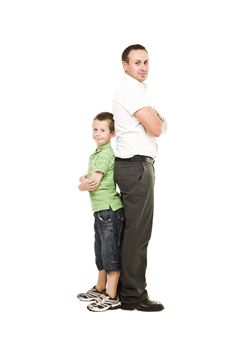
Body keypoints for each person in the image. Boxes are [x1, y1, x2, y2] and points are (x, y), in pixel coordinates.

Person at [113, 44, 166, 312]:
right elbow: (157, 127)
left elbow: (154, 124)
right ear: (125, 65)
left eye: (146, 62)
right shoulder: (131, 90)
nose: (143, 67)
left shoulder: (135, 90)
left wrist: (156, 120)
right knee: (138, 234)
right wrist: (159, 120)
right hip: (136, 168)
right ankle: (133, 296)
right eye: (137, 62)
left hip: (134, 167)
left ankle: (124, 291)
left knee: (132, 232)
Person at [77, 112, 125, 312]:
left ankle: (111, 296)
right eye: (95, 129)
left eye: (102, 130)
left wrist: (81, 185)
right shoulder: (97, 153)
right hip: (101, 211)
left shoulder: (105, 153)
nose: (97, 133)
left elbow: (93, 182)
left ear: (112, 134)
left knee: (110, 253)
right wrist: (84, 179)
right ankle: (100, 287)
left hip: (108, 210)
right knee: (101, 252)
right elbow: (89, 177)